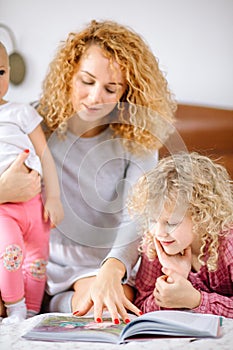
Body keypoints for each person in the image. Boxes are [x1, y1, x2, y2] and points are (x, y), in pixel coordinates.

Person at [0, 20, 176, 324]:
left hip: (97, 264)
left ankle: (54, 306)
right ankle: (46, 304)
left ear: (127, 92)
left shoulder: (138, 139)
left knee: (105, 307)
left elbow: (137, 214)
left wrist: (114, 267)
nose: (95, 98)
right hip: (29, 257)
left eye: (111, 88)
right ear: (69, 75)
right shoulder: (28, 121)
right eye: (87, 81)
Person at [0, 42, 64, 323]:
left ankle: (32, 316)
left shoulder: (21, 112)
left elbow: (45, 155)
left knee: (37, 261)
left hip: (34, 205)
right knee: (10, 252)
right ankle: (15, 312)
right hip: (5, 208)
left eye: (0, 71)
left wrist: (54, 198)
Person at [127, 152, 233, 318]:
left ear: (201, 216)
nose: (160, 232)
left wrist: (196, 300)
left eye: (172, 223)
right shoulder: (156, 243)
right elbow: (141, 304)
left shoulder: (229, 245)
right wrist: (173, 279)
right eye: (153, 221)